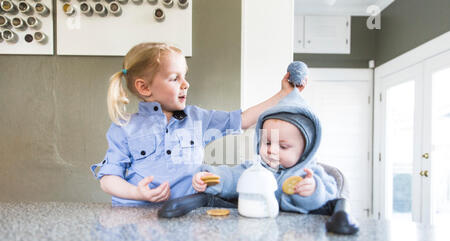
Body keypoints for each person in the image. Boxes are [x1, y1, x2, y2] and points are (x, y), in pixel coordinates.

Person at [91, 42, 296, 206]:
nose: (185, 84)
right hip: (135, 217)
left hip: (186, 213)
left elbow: (242, 120)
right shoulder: (123, 126)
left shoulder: (198, 118)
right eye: (174, 78)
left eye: (185, 77)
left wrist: (283, 93)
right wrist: (137, 193)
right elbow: (108, 179)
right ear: (144, 87)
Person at [192, 88, 337, 214]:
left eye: (283, 146)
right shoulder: (255, 170)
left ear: (306, 150)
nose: (272, 150)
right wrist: (210, 178)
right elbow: (231, 177)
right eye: (267, 142)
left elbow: (329, 195)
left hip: (293, 237)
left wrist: (312, 191)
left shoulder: (310, 174)